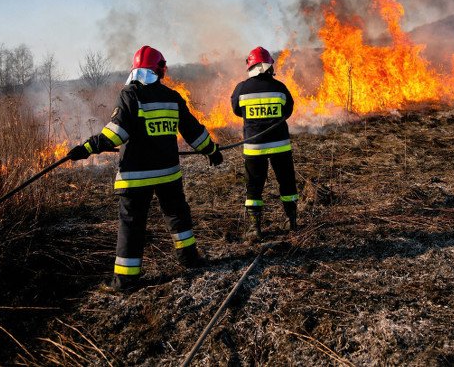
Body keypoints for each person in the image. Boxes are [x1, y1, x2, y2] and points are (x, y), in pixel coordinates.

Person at [68, 45, 223, 292]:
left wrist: (87, 147)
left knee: (132, 225)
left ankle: (125, 281)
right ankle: (189, 260)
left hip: (136, 177)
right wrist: (211, 151)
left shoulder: (130, 95)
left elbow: (116, 134)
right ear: (160, 70)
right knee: (177, 215)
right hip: (168, 174)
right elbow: (194, 131)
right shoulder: (172, 97)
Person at [230, 46, 298, 241]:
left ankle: (255, 227)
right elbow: (288, 110)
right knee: (286, 183)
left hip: (254, 148)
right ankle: (292, 221)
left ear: (251, 67)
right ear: (269, 66)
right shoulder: (280, 88)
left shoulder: (241, 89)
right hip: (281, 147)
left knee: (254, 186)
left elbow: (236, 110)